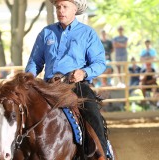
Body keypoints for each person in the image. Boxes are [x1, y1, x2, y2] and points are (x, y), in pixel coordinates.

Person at [25, 0, 113, 158]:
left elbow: (100, 63)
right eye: (58, 7)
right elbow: (35, 62)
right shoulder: (46, 33)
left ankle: (102, 154)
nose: (60, 10)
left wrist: (84, 72)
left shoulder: (87, 33)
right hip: (48, 86)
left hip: (75, 85)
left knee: (93, 113)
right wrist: (28, 79)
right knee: (22, 111)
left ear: (75, 9)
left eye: (65, 6)